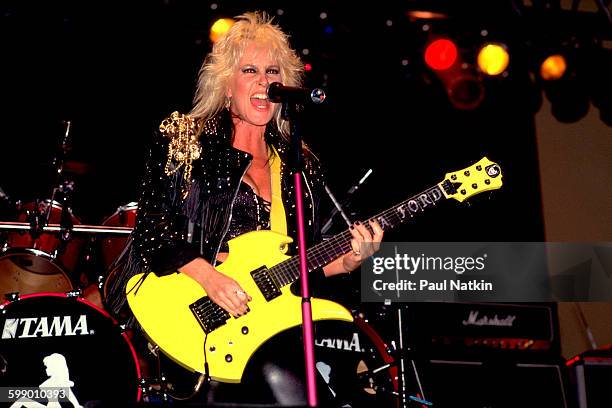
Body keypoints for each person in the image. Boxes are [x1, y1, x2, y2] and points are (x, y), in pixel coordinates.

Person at [105, 11, 384, 406]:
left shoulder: (298, 162)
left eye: (272, 71)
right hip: (191, 314)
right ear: (226, 83)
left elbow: (307, 258)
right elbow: (151, 228)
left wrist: (352, 259)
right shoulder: (186, 139)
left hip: (269, 324)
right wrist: (208, 277)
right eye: (249, 70)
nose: (264, 81)